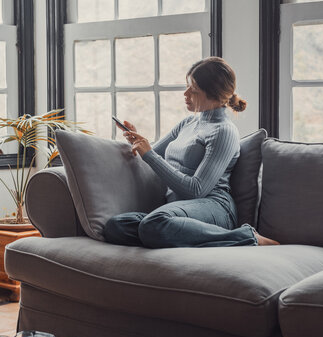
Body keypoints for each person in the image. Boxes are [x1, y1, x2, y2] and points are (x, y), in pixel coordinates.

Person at [103, 57, 279, 248]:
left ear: (214, 94)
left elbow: (196, 190)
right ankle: (171, 235)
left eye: (193, 90)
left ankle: (246, 237)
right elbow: (153, 154)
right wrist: (139, 142)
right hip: (175, 210)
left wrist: (149, 154)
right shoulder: (188, 123)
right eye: (187, 87)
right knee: (116, 226)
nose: (186, 94)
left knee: (154, 224)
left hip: (213, 206)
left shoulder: (223, 131)